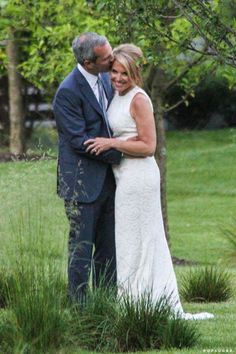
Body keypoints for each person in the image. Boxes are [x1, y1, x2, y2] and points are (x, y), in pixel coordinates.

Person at [85, 44, 214, 320]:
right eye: (114, 72)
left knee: (140, 240)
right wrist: (122, 140)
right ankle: (137, 302)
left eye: (124, 74)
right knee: (130, 240)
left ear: (135, 74)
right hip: (124, 176)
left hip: (139, 176)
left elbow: (149, 146)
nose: (118, 78)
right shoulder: (117, 95)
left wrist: (112, 142)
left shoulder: (139, 98)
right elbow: (131, 134)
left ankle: (141, 304)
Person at [53, 32, 122, 302]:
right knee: (81, 250)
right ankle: (79, 310)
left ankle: (105, 306)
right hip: (81, 185)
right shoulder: (67, 92)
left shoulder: (106, 79)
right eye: (107, 58)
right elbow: (81, 142)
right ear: (88, 61)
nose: (112, 60)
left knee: (108, 250)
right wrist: (121, 153)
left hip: (109, 181)